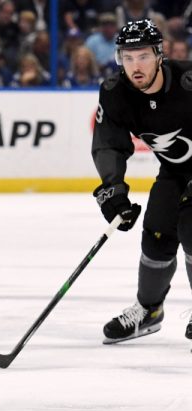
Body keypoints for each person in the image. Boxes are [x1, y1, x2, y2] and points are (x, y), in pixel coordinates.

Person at [91, 19, 192, 345]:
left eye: (143, 56)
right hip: (175, 171)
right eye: (128, 57)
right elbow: (108, 144)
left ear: (159, 54)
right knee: (157, 234)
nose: (135, 66)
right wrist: (114, 193)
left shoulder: (188, 82)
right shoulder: (116, 93)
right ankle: (149, 312)